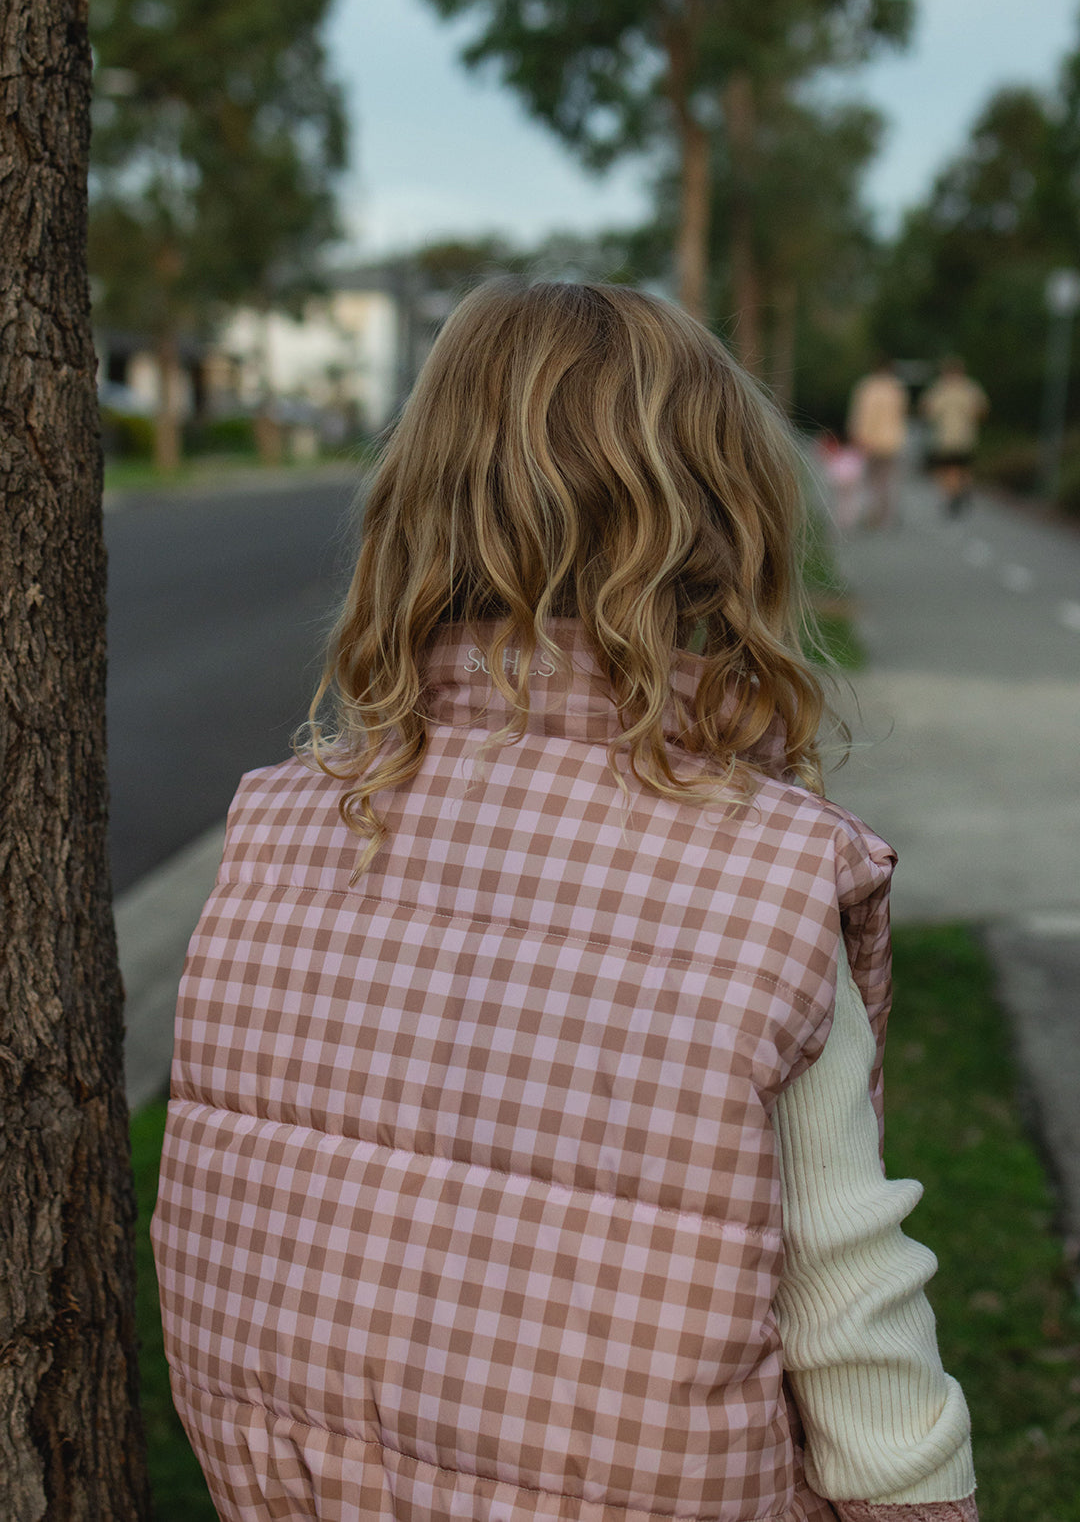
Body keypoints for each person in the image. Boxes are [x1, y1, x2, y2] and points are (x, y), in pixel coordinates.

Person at [151, 282, 978, 1522]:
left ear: (418, 508)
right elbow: (852, 1323)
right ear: (725, 523)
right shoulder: (765, 876)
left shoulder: (276, 830)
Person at [920, 358, 989, 517]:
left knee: (947, 469)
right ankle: (962, 489)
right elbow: (982, 410)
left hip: (945, 437)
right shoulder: (970, 388)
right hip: (966, 437)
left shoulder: (940, 389)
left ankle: (953, 495)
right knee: (963, 468)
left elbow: (927, 410)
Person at [846, 358, 909, 528]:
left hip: (869, 440)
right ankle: (886, 516)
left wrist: (856, 435)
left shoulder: (866, 386)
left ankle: (871, 514)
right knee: (887, 480)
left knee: (870, 480)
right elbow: (902, 413)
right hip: (892, 440)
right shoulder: (897, 388)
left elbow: (860, 414)